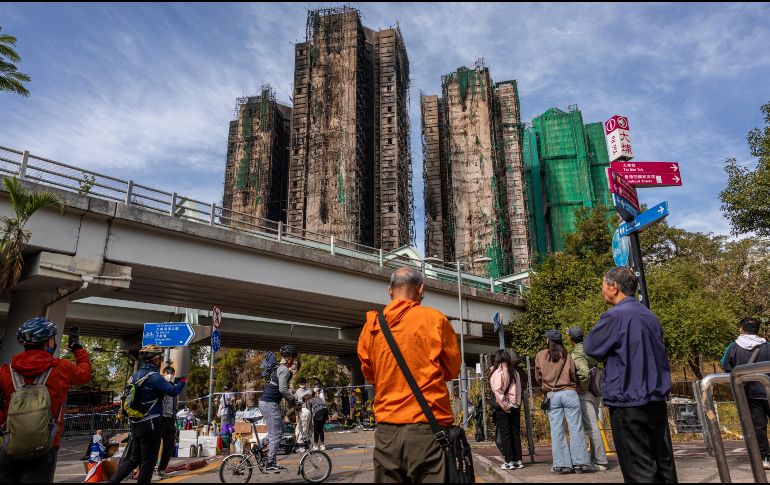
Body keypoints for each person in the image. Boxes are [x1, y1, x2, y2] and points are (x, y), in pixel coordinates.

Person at [358, 266, 461, 483]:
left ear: (389, 291)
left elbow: (370, 375)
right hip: (428, 428)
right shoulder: (435, 320)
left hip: (387, 430)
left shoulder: (371, 327)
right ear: (421, 289)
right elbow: (452, 370)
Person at [584, 266, 677, 483]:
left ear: (614, 287)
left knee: (638, 467)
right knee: (662, 463)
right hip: (656, 399)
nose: (602, 291)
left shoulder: (614, 316)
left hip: (628, 400)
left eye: (603, 286)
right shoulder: (649, 315)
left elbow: (591, 347)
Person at [0, 317, 92, 483]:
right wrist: (79, 351)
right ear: (49, 341)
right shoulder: (62, 368)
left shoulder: (6, 371)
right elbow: (84, 374)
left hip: (10, 444)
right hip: (46, 445)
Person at [110, 345, 187, 484]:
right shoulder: (154, 377)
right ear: (156, 359)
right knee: (148, 462)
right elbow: (173, 391)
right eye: (160, 358)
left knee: (134, 459)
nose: (160, 360)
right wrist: (182, 382)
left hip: (135, 423)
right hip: (150, 424)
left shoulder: (135, 375)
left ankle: (112, 482)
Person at [536, 329, 596, 475]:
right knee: (576, 428)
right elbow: (573, 373)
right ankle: (580, 463)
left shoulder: (540, 355)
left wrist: (546, 385)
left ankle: (562, 465)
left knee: (557, 431)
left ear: (548, 340)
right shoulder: (567, 355)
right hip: (569, 393)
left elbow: (538, 377)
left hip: (553, 394)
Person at [721, 317, 770, 469]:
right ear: (758, 330)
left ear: (741, 329)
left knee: (758, 427)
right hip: (768, 390)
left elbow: (725, 365)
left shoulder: (733, 347)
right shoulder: (767, 346)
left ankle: (765, 457)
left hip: (750, 394)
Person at [568, 327, 609, 471]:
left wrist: (583, 388)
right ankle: (595, 458)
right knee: (594, 425)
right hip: (597, 390)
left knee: (592, 427)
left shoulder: (577, 353)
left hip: (586, 393)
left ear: (570, 339)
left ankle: (600, 461)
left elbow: (583, 373)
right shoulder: (590, 347)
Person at [258, 345, 298, 471]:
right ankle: (271, 462)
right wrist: (294, 402)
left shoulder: (279, 368)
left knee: (279, 430)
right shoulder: (284, 370)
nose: (295, 363)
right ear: (289, 359)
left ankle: (259, 447)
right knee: (276, 435)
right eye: (294, 360)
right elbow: (283, 389)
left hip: (267, 403)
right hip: (269, 404)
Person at [490, 349, 523, 470]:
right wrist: (516, 404)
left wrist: (505, 405)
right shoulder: (515, 372)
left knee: (506, 434)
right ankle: (518, 460)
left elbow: (497, 390)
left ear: (497, 359)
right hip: (515, 406)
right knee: (515, 433)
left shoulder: (498, 372)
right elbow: (519, 390)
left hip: (503, 408)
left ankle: (509, 461)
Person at [156, 365, 179, 478]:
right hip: (160, 419)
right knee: (154, 445)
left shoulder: (174, 387)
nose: (170, 375)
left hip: (170, 419)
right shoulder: (159, 385)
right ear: (163, 374)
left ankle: (161, 469)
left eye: (172, 373)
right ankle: (146, 469)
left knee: (169, 445)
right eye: (168, 373)